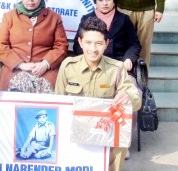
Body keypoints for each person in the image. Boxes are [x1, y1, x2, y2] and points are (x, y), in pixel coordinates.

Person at [55, 16, 141, 171]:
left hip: (104, 131)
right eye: (88, 42)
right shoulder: (68, 66)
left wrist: (128, 97)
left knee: (119, 141)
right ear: (80, 42)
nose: (93, 49)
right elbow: (58, 102)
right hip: (75, 128)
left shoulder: (117, 68)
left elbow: (136, 100)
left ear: (107, 44)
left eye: (99, 43)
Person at [0, 0, 68, 92]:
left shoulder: (54, 18)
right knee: (13, 95)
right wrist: (20, 65)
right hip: (15, 68)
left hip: (44, 70)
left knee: (48, 98)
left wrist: (45, 64)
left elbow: (61, 46)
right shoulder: (9, 17)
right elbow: (0, 46)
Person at [73, 0, 141, 75]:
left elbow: (134, 44)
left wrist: (128, 59)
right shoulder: (86, 19)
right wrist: (89, 59)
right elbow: (77, 45)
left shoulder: (124, 19)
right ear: (95, 2)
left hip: (118, 65)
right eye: (100, 0)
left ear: (114, 1)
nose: (105, 3)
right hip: (91, 64)